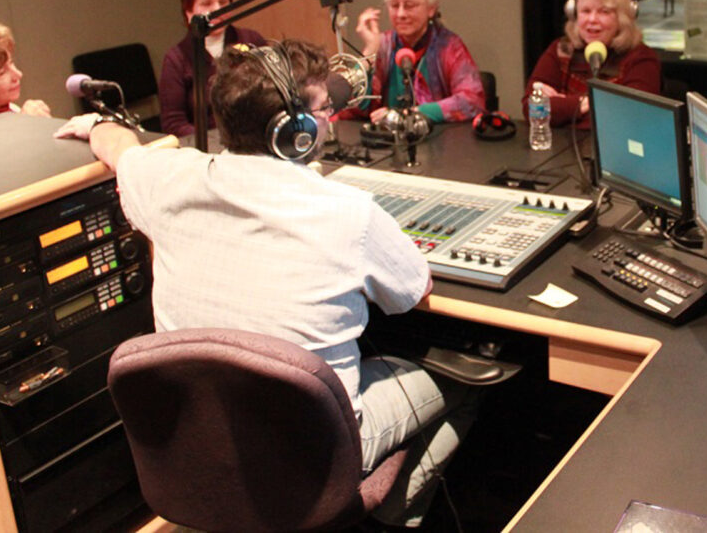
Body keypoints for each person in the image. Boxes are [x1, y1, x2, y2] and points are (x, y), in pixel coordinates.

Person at [55, 39, 475, 528]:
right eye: (321, 110)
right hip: (322, 450)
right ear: (292, 132)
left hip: (202, 441)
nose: (329, 119)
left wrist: (94, 122)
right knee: (468, 375)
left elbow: (119, 147)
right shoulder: (347, 213)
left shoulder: (165, 178)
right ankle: (388, 520)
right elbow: (413, 291)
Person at [347, 0, 484, 125]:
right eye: (394, 5)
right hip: (387, 144)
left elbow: (472, 101)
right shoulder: (382, 45)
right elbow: (352, 105)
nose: (401, 14)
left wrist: (409, 115)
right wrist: (369, 51)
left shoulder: (449, 46)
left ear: (431, 8)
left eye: (410, 5)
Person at [522, 0, 661, 128]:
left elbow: (634, 118)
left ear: (623, 17)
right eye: (586, 11)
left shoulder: (641, 58)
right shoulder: (561, 50)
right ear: (574, 13)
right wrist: (581, 104)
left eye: (604, 12)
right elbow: (531, 109)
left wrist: (563, 106)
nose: (592, 20)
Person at [158, 0, 266, 137]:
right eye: (207, 4)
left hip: (255, 139)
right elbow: (173, 123)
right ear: (188, 11)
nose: (217, 10)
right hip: (206, 147)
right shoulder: (176, 59)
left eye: (223, 2)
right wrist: (215, 140)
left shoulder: (251, 40)